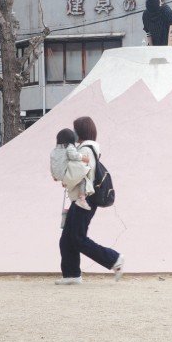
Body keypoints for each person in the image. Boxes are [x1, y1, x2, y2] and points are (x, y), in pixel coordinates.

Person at [57, 116, 123, 285]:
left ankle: (114, 259)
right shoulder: (89, 149)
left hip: (84, 200)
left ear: (80, 131)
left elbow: (76, 173)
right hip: (82, 199)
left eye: (75, 129)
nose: (73, 133)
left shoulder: (85, 150)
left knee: (78, 239)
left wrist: (64, 179)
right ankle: (71, 275)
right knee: (67, 239)